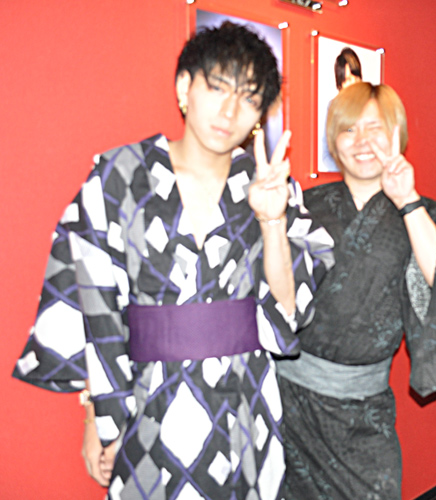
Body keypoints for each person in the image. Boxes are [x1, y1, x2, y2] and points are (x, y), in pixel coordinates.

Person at [12, 22, 334, 500]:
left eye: (249, 98)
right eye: (218, 87)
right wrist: (96, 417)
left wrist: (271, 220)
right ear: (185, 87)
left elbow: (287, 315)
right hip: (147, 404)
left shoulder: (272, 185)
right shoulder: (120, 176)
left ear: (260, 113)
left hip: (245, 404)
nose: (230, 111)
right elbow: (93, 305)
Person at [277, 82, 436, 499]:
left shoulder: (420, 212)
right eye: (349, 130)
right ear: (334, 141)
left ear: (397, 135)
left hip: (364, 410)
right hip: (290, 402)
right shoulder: (304, 206)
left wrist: (407, 200)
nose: (362, 141)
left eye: (375, 128)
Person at [320, 47, 363, 173]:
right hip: (341, 176)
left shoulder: (369, 107)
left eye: (356, 78)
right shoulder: (332, 108)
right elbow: (326, 154)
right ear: (340, 84)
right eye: (348, 79)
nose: (354, 83)